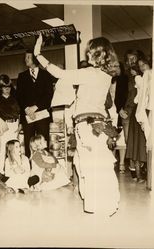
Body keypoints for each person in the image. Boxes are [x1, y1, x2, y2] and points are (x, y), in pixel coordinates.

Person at [34, 34, 120, 216]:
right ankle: (108, 203)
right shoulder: (106, 76)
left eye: (90, 52)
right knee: (93, 163)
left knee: (88, 166)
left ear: (99, 54)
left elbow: (59, 74)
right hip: (97, 125)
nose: (87, 55)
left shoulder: (89, 73)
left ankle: (98, 205)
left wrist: (38, 54)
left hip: (87, 126)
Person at [16, 49, 56, 157]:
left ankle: (45, 167)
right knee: (29, 143)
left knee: (43, 143)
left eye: (28, 57)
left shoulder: (46, 75)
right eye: (25, 57)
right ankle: (31, 169)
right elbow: (19, 96)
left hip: (42, 115)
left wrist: (35, 107)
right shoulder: (21, 76)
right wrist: (26, 109)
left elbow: (49, 95)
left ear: (35, 59)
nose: (25, 60)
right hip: (27, 115)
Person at [126, 55, 150, 183]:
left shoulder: (144, 78)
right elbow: (137, 99)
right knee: (140, 144)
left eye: (143, 65)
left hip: (144, 111)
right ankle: (140, 175)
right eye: (139, 66)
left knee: (142, 144)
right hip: (141, 113)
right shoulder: (140, 79)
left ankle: (142, 174)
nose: (141, 68)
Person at [0, 74, 21, 173]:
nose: (7, 89)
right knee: (2, 149)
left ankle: (14, 170)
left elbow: (19, 113)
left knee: (14, 149)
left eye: (8, 87)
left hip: (15, 125)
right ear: (1, 88)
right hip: (4, 126)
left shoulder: (15, 99)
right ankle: (0, 171)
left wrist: (20, 124)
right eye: (4, 87)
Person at [112, 62, 129, 173]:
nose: (115, 69)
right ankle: (112, 162)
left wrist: (121, 108)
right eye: (113, 66)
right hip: (110, 110)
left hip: (121, 110)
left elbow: (124, 95)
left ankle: (122, 164)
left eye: (117, 66)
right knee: (111, 136)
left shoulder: (124, 79)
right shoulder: (109, 79)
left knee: (121, 138)